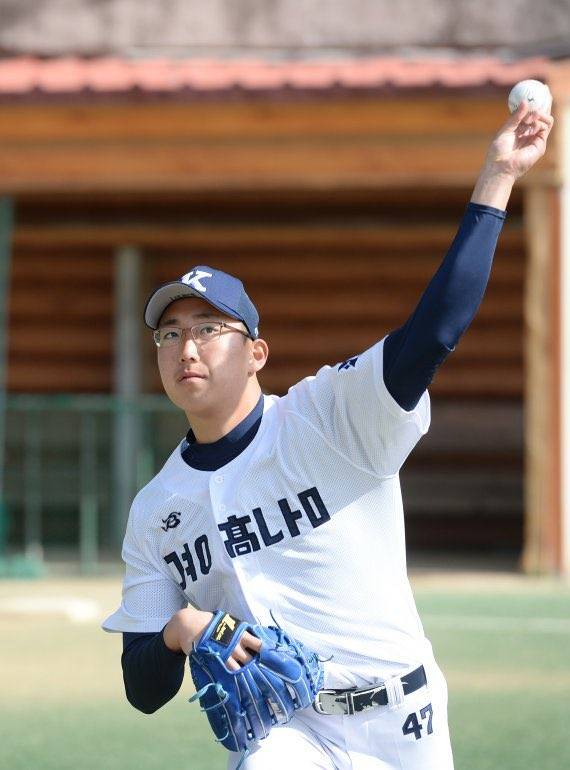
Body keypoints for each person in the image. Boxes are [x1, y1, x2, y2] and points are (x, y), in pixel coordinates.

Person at [102, 100, 553, 769]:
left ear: (257, 352)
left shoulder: (328, 417)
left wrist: (497, 176)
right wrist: (183, 628)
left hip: (405, 722)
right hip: (291, 734)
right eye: (169, 333)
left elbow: (434, 331)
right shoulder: (156, 510)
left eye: (207, 329)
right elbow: (143, 687)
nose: (185, 348)